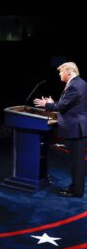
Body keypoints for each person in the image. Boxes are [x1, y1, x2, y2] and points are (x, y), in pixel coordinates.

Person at [33, 62, 87, 198]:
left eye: (60, 71)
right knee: (76, 162)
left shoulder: (74, 85)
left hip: (76, 129)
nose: (59, 74)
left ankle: (76, 191)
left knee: (77, 163)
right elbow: (68, 105)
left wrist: (48, 104)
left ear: (68, 71)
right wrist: (53, 103)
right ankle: (75, 188)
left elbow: (62, 106)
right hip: (77, 128)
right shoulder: (79, 83)